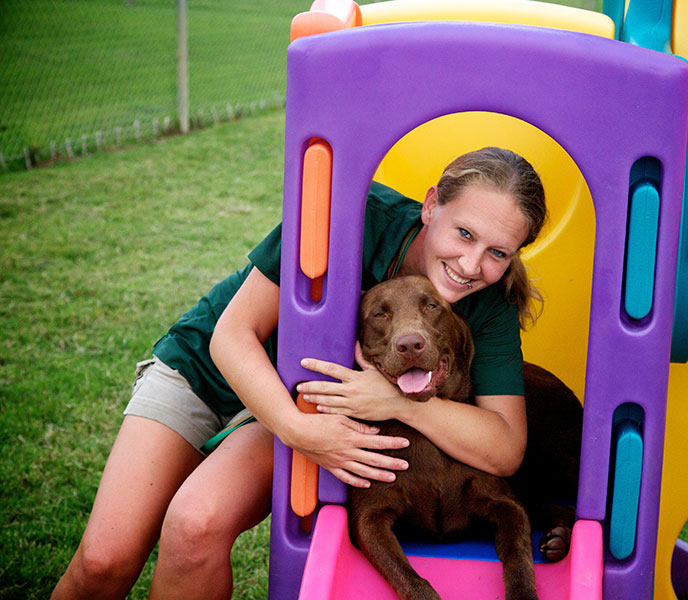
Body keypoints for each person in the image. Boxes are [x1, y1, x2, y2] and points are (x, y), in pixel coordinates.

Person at [51, 146, 547, 600]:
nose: (470, 263)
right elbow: (232, 336)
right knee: (102, 562)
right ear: (432, 204)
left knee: (195, 525)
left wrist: (393, 402)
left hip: (309, 397)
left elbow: (504, 447)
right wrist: (300, 432)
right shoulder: (348, 214)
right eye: (464, 233)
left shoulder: (487, 302)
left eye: (498, 252)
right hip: (212, 367)